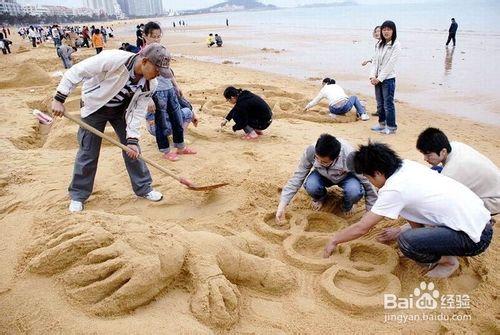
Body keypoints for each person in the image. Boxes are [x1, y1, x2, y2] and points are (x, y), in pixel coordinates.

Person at [323, 142, 493, 278]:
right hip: (479, 221)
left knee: (407, 242)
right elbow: (410, 209)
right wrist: (420, 238)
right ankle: (434, 247)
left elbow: (362, 227)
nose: (369, 181)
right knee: (415, 239)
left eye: (368, 177)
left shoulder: (394, 189)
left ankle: (448, 261)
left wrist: (334, 240)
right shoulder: (406, 166)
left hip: (476, 239)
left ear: (378, 173)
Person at [50, 43, 170, 212]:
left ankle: (144, 188)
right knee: (88, 152)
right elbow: (76, 71)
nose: (158, 75)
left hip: (122, 111)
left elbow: (138, 111)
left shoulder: (151, 84)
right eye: (157, 70)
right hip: (95, 107)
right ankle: (78, 195)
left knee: (133, 151)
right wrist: (59, 98)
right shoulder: (113, 59)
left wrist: (132, 139)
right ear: (144, 62)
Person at [276, 134, 377, 222]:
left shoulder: (350, 157)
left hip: (347, 177)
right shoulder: (311, 151)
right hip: (321, 175)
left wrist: (370, 211)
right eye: (317, 158)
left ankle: (348, 204)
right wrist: (283, 204)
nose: (319, 162)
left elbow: (367, 182)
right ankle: (320, 197)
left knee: (354, 192)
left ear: (336, 158)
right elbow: (298, 177)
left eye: (324, 162)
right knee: (311, 185)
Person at [143, 21, 196, 161]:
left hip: (169, 89)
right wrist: (148, 98)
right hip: (156, 92)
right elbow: (141, 80)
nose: (157, 39)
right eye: (153, 36)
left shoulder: (162, 50)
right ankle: (166, 151)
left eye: (159, 36)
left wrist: (176, 85)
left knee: (177, 117)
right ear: (145, 36)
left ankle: (180, 147)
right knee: (161, 123)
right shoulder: (143, 55)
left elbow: (168, 70)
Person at [416, 127, 500, 215]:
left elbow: (438, 202)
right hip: (491, 187)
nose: (425, 159)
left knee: (449, 209)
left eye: (428, 155)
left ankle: (485, 222)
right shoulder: (455, 145)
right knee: (435, 171)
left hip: (493, 201)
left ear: (443, 151)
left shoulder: (452, 171)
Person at [370, 20, 401, 135]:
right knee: (380, 103)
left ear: (393, 31)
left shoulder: (396, 45)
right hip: (377, 78)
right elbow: (375, 62)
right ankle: (382, 124)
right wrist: (372, 76)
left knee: (388, 104)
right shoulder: (379, 44)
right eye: (384, 29)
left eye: (389, 29)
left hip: (388, 79)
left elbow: (390, 65)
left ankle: (391, 127)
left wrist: (379, 78)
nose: (386, 32)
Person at [304, 78, 369, 121]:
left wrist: (306, 107)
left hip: (333, 109)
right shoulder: (337, 86)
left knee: (332, 103)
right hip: (345, 107)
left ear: (325, 83)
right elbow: (345, 97)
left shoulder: (323, 90)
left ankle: (334, 114)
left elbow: (315, 101)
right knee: (354, 97)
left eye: (322, 84)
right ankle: (362, 114)